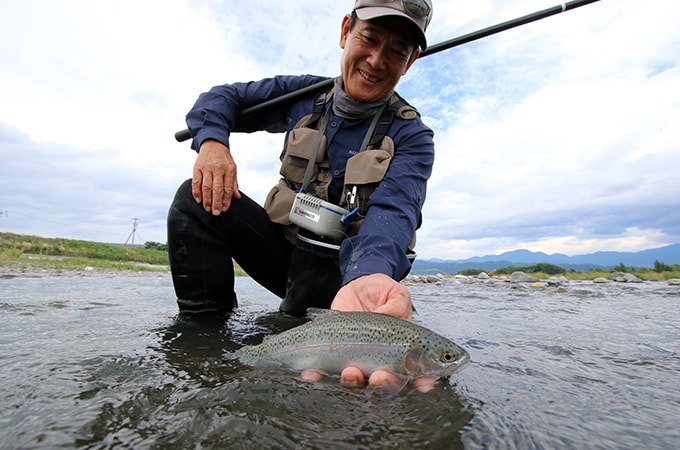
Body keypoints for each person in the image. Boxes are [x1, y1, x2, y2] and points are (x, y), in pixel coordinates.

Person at [168, 0, 435, 390]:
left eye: (397, 52)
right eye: (369, 38)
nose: (377, 61)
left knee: (400, 369)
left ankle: (336, 329)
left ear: (409, 62)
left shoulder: (413, 136)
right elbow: (223, 98)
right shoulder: (303, 95)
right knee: (195, 200)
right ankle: (204, 339)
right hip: (286, 257)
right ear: (346, 31)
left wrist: (370, 279)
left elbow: (394, 214)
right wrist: (212, 143)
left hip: (349, 282)